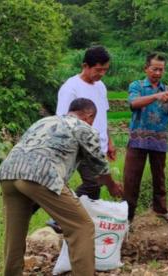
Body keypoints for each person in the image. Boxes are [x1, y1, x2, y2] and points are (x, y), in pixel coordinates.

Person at [0, 98, 123, 276]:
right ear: (89, 115)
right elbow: (99, 166)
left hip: (8, 173)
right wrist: (112, 185)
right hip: (40, 175)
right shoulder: (84, 127)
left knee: (14, 232)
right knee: (81, 227)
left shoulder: (44, 121)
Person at [123, 52, 168, 224]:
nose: (158, 73)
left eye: (161, 70)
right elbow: (133, 103)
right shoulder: (137, 85)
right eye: (154, 69)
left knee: (159, 177)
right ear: (146, 68)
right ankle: (127, 216)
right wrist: (155, 96)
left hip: (159, 140)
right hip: (138, 140)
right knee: (131, 179)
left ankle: (161, 209)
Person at [56, 46, 116, 200]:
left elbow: (103, 116)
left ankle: (85, 221)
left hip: (98, 145)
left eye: (105, 70)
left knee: (94, 191)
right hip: (82, 147)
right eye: (98, 69)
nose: (102, 74)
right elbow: (63, 121)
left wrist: (109, 141)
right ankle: (61, 213)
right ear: (85, 66)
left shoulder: (101, 86)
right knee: (93, 184)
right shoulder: (71, 88)